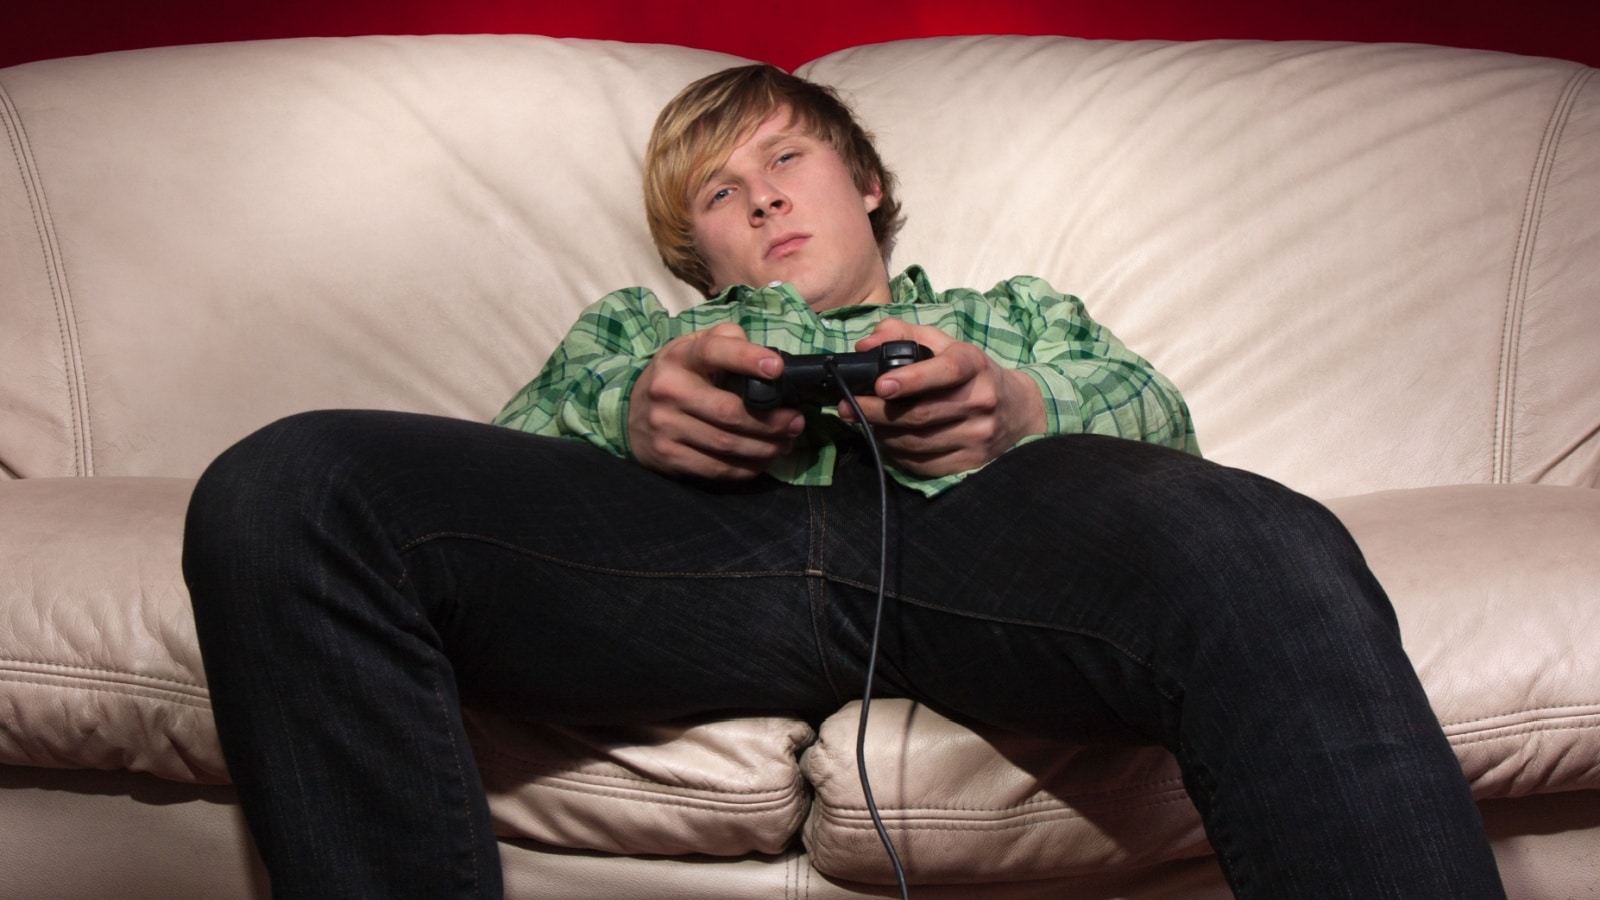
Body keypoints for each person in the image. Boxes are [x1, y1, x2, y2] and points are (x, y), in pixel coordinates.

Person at [183, 64, 1506, 899]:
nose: (758, 199)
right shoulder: (634, 335)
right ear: (691, 250)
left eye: (785, 157)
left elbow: (1158, 423)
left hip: (972, 548)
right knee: (288, 484)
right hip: (689, 562)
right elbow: (503, 472)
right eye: (716, 193)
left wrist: (1008, 404)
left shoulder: (1008, 311)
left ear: (866, 183)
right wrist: (633, 416)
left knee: (1262, 536)